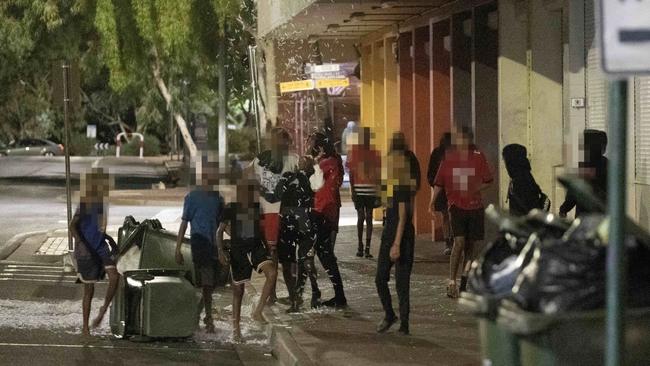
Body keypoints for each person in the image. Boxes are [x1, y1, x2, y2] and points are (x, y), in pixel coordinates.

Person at [432, 126, 493, 299]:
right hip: (456, 206)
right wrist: (432, 202)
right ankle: (451, 281)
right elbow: (439, 182)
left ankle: (465, 281)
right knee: (459, 242)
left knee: (470, 247)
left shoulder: (478, 157)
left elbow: (489, 180)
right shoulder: (449, 159)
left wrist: (477, 187)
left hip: (475, 207)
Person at [217, 174, 277, 342]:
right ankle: (236, 330)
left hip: (256, 248)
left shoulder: (257, 207)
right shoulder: (231, 207)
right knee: (238, 291)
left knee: (272, 274)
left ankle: (258, 311)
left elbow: (260, 229)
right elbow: (219, 231)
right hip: (238, 252)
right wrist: (220, 251)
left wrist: (268, 247)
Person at [375, 132, 420, 336]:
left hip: (400, 234)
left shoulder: (401, 183)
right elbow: (385, 201)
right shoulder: (393, 182)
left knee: (401, 281)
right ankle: (392, 316)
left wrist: (396, 244)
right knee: (381, 278)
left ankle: (403, 323)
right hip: (391, 232)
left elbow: (402, 216)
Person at [175, 155, 225, 333]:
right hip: (200, 244)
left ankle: (198, 314)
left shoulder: (218, 198)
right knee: (206, 283)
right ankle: (208, 319)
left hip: (214, 245)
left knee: (210, 284)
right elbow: (184, 223)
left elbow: (222, 223)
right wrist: (178, 248)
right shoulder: (193, 197)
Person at [250, 127, 299, 304]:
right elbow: (247, 177)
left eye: (282, 141)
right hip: (265, 213)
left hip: (283, 214)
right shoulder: (260, 159)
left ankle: (293, 296)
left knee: (286, 258)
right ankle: (272, 294)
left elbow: (297, 188)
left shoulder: (293, 160)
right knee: (271, 255)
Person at [70, 167, 120, 336]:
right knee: (88, 289)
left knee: (115, 277)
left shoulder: (101, 203)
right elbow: (73, 225)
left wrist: (109, 238)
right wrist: (80, 243)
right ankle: (85, 326)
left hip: (100, 246)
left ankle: (103, 310)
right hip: (87, 250)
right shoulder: (85, 202)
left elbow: (96, 228)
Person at [275, 155, 324, 312]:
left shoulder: (289, 177)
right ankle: (307, 294)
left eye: (303, 161)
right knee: (304, 260)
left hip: (290, 220)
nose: (300, 162)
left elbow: (275, 196)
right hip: (302, 220)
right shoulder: (310, 178)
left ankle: (296, 299)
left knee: (292, 262)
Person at [308, 131, 348, 308]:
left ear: (319, 147)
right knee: (325, 254)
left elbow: (312, 181)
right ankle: (336, 294)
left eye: (312, 143)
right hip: (328, 210)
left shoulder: (324, 163)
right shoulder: (334, 161)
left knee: (315, 254)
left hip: (321, 210)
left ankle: (321, 293)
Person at [346, 126, 381, 258]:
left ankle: (362, 246)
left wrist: (353, 189)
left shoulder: (354, 152)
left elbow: (351, 173)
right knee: (368, 218)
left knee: (361, 218)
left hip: (360, 190)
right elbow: (378, 175)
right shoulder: (374, 153)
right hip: (369, 190)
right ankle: (366, 247)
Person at [559, 129, 608, 218]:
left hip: (585, 219)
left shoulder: (583, 166)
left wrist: (564, 209)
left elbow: (573, 193)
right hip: (604, 216)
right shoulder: (609, 165)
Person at [427, 133, 453, 255]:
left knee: (446, 216)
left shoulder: (438, 153)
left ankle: (450, 241)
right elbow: (431, 173)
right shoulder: (440, 153)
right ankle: (450, 241)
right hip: (446, 190)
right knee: (448, 215)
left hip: (446, 190)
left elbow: (430, 173)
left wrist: (434, 185)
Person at [502, 144, 545, 216]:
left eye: (506, 160)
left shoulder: (522, 179)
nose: (505, 164)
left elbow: (530, 207)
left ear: (512, 161)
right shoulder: (522, 176)